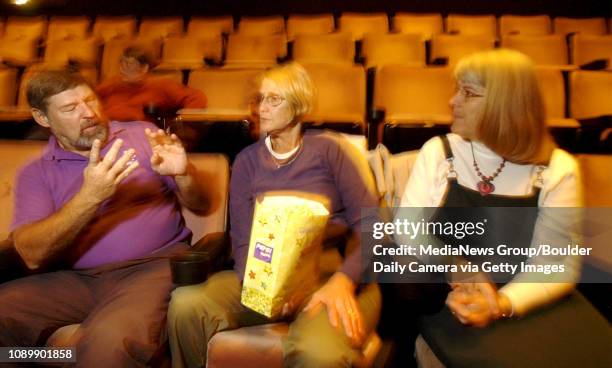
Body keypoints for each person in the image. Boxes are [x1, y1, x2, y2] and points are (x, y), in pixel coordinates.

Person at [393, 49, 607, 367]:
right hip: (452, 302)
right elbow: (406, 231)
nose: (452, 102)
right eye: (457, 90)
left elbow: (555, 267)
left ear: (506, 105)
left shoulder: (557, 169)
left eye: (468, 93)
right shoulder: (439, 152)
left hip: (531, 304)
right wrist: (456, 266)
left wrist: (502, 303)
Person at [167, 62, 382, 367]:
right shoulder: (246, 161)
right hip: (264, 273)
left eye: (274, 100)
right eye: (260, 99)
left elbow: (373, 226)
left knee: (317, 353)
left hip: (328, 272)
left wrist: (344, 280)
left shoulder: (331, 151)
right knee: (186, 304)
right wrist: (265, 291)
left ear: (298, 106)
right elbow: (241, 241)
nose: (261, 108)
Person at [0, 70, 208, 367]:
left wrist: (183, 175)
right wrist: (90, 196)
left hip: (153, 268)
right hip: (79, 280)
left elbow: (201, 204)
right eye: (70, 108)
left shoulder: (141, 134)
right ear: (43, 118)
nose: (88, 113)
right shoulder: (36, 173)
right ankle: (59, 357)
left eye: (89, 100)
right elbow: (32, 254)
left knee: (109, 342)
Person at [96, 46, 207, 122]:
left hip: (142, 135)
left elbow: (196, 98)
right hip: (109, 133)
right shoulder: (111, 85)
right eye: (121, 64)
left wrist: (179, 123)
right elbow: (90, 98)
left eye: (129, 65)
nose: (123, 69)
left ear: (144, 68)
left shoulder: (161, 85)